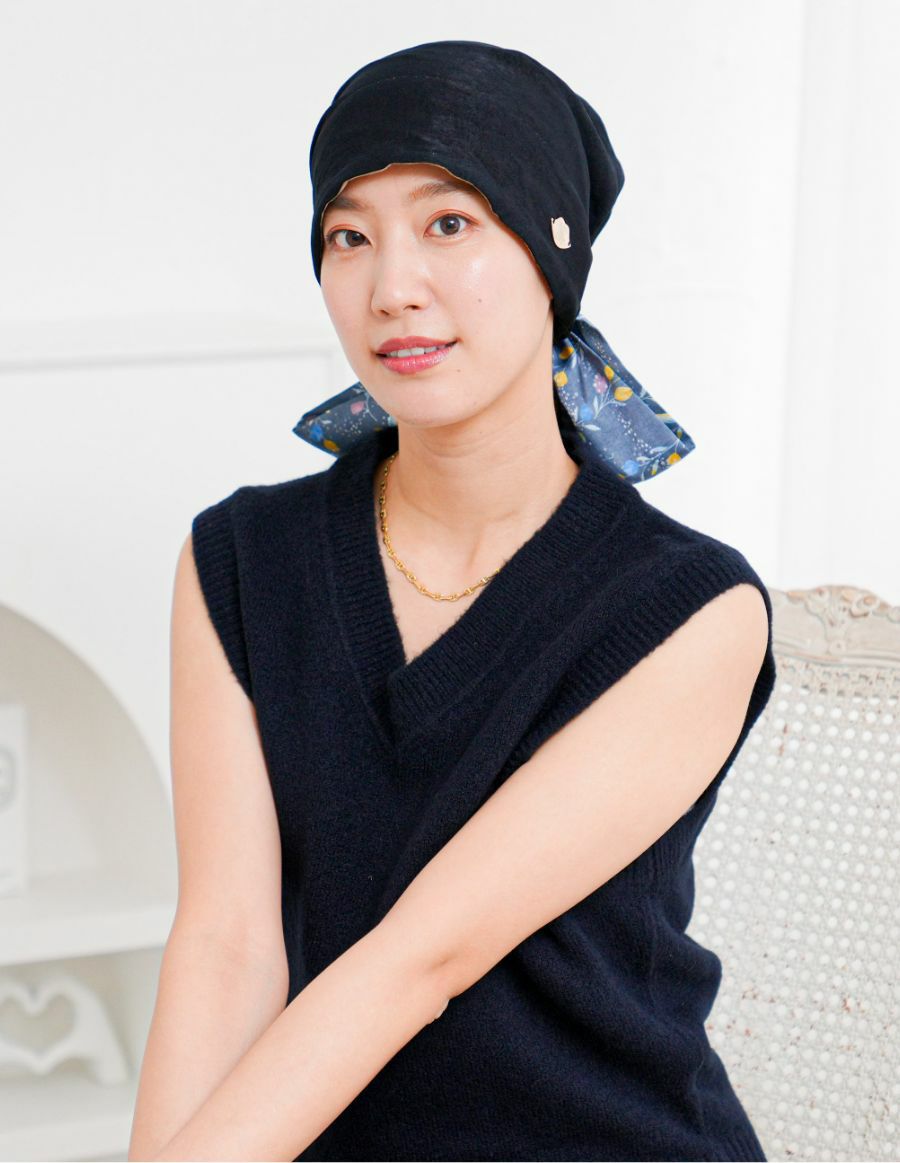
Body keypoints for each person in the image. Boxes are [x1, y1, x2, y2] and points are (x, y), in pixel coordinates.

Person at [129, 40, 776, 1163]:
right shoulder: (240, 560)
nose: (392, 288)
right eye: (349, 236)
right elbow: (228, 943)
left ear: (549, 253)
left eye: (449, 223)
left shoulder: (689, 608)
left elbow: (418, 960)